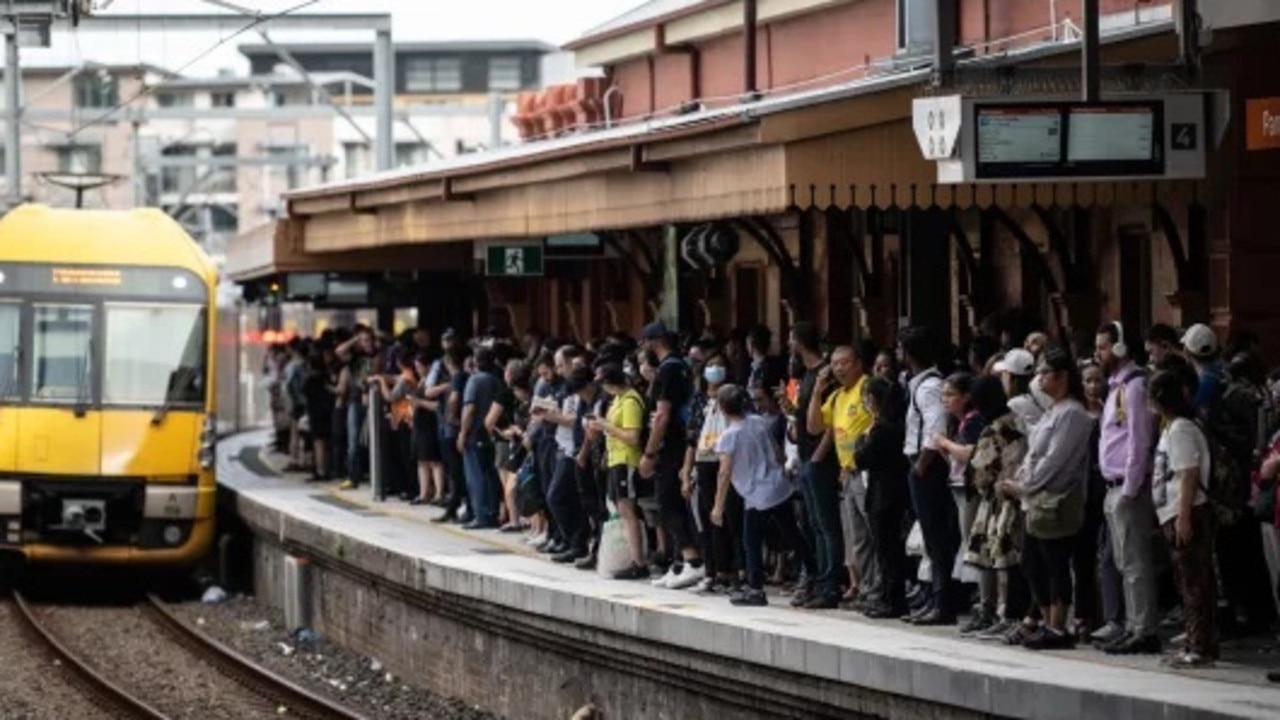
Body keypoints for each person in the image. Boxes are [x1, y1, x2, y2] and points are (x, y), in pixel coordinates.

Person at [1000, 347, 1093, 650]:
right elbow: (1035, 452)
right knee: (1031, 561)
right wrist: (1021, 482)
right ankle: (1044, 618)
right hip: (1035, 496)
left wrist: (1025, 486)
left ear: (1062, 376)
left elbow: (1056, 460)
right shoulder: (1054, 410)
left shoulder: (1072, 413)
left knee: (1054, 561)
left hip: (1055, 497)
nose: (1039, 379)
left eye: (1044, 373)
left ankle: (1057, 625)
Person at [1094, 321, 1161, 655]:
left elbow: (1139, 438)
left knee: (1134, 561)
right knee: (1123, 561)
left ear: (1120, 347)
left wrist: (1132, 487)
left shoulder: (1134, 386)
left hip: (1126, 486)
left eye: (1104, 347)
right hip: (1112, 483)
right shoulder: (1115, 385)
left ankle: (1143, 628)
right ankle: (1133, 624)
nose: (1099, 353)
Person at [711, 385, 810, 607]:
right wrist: (781, 466)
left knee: (752, 541)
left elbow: (724, 472)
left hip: (757, 494)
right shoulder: (758, 421)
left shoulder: (729, 436)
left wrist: (718, 506)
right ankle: (813, 570)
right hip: (778, 485)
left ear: (723, 408)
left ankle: (756, 588)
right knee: (793, 533)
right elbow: (777, 451)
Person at [1148, 370, 1218, 668]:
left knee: (1194, 583)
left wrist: (1184, 516)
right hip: (1173, 512)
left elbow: (1188, 473)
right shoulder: (1172, 428)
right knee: (1187, 580)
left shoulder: (1181, 430)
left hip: (1186, 512)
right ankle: (1195, 640)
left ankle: (1199, 647)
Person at [964, 349, 1033, 642]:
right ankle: (1005, 613)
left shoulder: (994, 429)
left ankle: (1004, 614)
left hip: (1000, 501)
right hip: (1017, 494)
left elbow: (981, 471)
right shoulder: (1017, 419)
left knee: (1001, 558)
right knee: (1009, 559)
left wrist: (982, 483)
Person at [638, 322, 706, 589]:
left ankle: (693, 561)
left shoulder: (668, 370)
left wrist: (649, 453)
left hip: (672, 445)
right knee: (670, 502)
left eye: (644, 344)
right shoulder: (680, 367)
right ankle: (678, 563)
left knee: (669, 502)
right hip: (680, 441)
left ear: (654, 342)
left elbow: (663, 416)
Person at [901, 326, 961, 625]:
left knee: (937, 537)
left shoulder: (928, 387)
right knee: (930, 536)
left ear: (908, 354)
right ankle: (935, 597)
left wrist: (922, 464)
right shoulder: (920, 383)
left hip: (928, 465)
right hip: (922, 462)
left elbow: (935, 425)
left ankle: (944, 602)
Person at [808, 345, 874, 610]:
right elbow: (813, 426)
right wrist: (817, 389)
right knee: (857, 538)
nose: (839, 368)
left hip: (867, 472)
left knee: (872, 534)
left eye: (844, 362)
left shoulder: (868, 388)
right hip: (847, 473)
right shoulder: (836, 396)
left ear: (858, 363)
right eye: (834, 364)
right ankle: (867, 589)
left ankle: (877, 589)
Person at [853, 376, 911, 619]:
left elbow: (861, 458)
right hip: (890, 491)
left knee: (887, 550)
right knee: (887, 549)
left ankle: (892, 599)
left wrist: (863, 438)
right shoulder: (895, 425)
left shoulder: (882, 428)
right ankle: (888, 596)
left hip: (884, 493)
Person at [591, 363, 650, 579]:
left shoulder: (631, 401)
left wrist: (606, 426)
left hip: (627, 460)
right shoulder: (616, 400)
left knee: (627, 509)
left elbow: (633, 437)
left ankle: (639, 561)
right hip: (615, 459)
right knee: (621, 508)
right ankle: (634, 557)